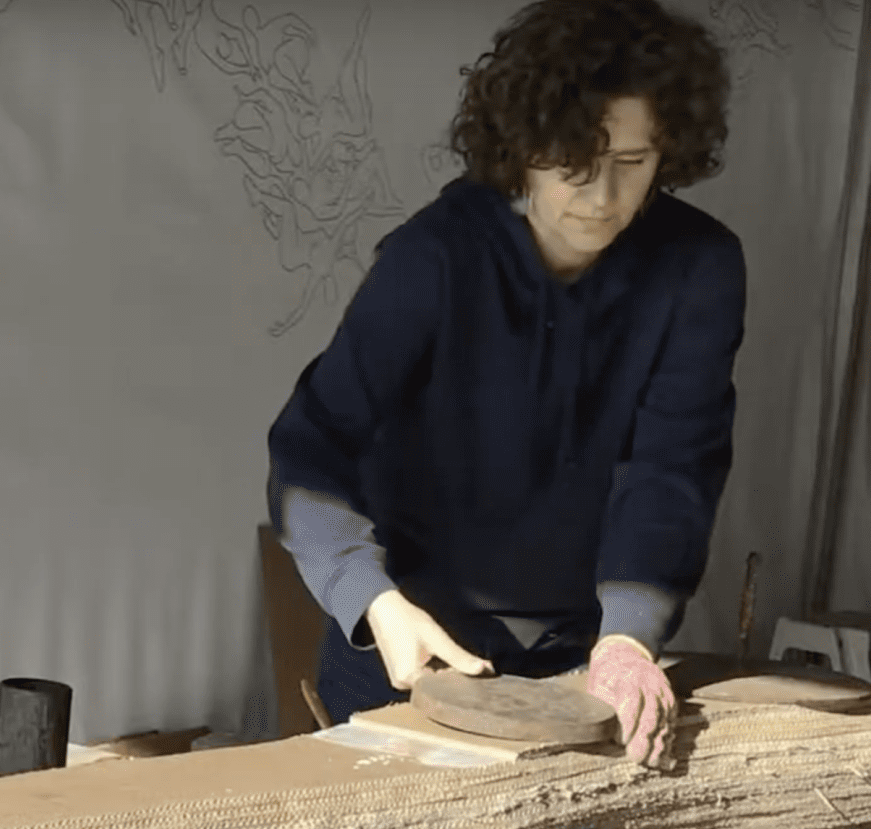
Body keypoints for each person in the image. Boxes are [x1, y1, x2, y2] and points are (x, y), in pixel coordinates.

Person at [266, 0, 744, 770]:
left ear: (670, 151)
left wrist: (627, 635)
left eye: (632, 163)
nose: (600, 195)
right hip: (412, 642)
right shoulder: (434, 257)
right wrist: (370, 599)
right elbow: (310, 449)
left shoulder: (700, 269)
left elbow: (672, 467)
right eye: (574, 162)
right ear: (521, 148)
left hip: (583, 659)